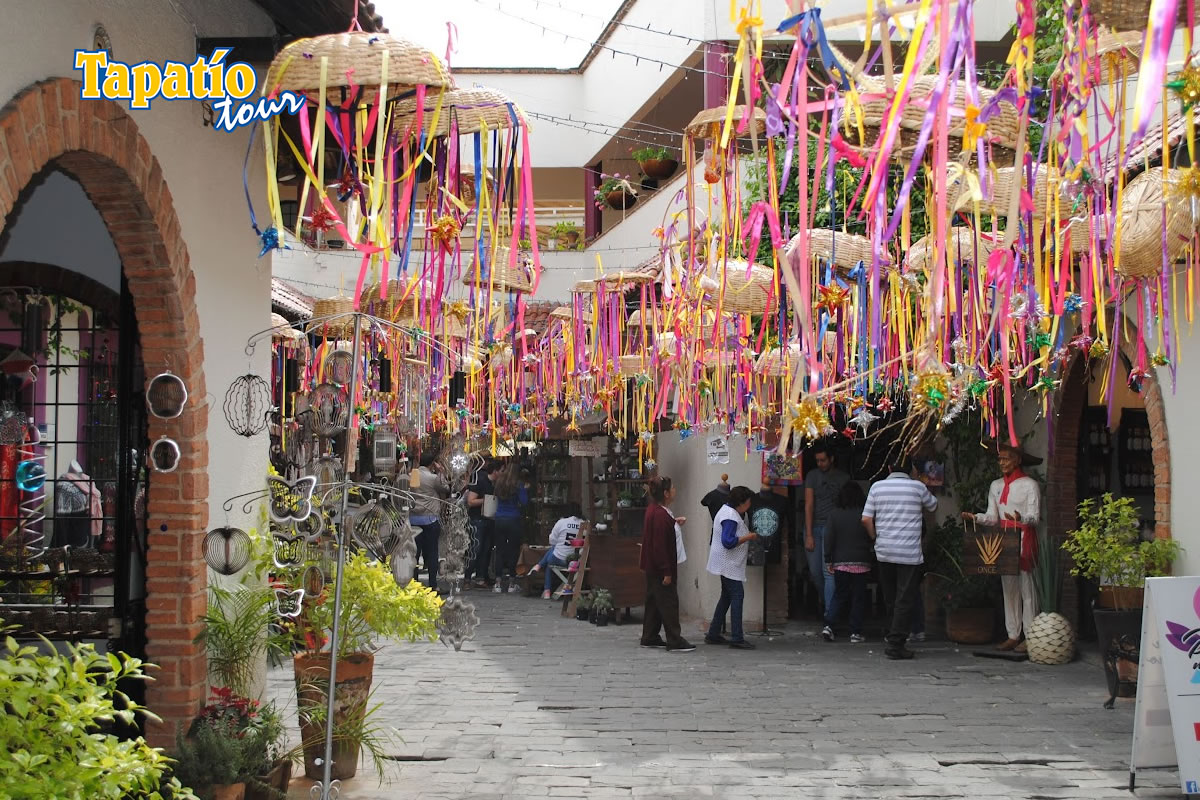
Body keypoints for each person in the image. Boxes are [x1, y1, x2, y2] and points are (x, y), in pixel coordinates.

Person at [961, 441, 1042, 653]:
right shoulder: (996, 486)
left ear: (1018, 460)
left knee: (1028, 591)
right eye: (1000, 458)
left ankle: (1031, 637)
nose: (1002, 462)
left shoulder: (1029, 485)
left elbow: (1034, 517)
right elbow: (992, 517)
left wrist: (1020, 517)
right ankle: (1012, 635)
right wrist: (976, 517)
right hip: (1005, 540)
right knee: (1009, 589)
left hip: (1024, 538)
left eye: (1006, 458)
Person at [862, 456, 937, 660]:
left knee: (890, 597)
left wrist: (875, 537)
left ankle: (892, 634)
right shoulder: (918, 488)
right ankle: (896, 644)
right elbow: (933, 506)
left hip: (884, 551)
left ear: (888, 467)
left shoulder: (877, 487)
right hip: (909, 553)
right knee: (905, 598)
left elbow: (866, 519)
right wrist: (924, 481)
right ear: (911, 469)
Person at [639, 476, 695, 652]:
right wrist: (667, 572)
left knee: (655, 601)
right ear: (665, 493)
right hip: (660, 567)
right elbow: (660, 546)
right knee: (668, 602)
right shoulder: (660, 515)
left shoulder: (656, 511)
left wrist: (674, 523)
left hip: (652, 565)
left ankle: (650, 635)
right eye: (672, 488)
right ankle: (674, 639)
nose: (674, 490)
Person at [705, 485, 759, 650]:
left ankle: (714, 633)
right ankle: (737, 637)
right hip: (728, 563)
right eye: (748, 502)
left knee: (727, 597)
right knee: (737, 595)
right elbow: (728, 542)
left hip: (725, 563)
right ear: (741, 503)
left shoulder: (727, 510)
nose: (749, 505)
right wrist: (748, 537)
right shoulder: (730, 516)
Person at [822, 481, 872, 643]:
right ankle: (855, 632)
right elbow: (871, 535)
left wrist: (828, 559)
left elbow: (828, 539)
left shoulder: (834, 514)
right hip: (861, 561)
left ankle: (829, 625)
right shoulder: (865, 515)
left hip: (841, 562)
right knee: (858, 597)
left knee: (840, 594)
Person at [804, 441, 849, 617]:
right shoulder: (812, 476)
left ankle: (830, 615)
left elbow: (846, 504)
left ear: (831, 459)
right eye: (817, 461)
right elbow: (808, 505)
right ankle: (827, 600)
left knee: (829, 572)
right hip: (814, 527)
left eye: (823, 460)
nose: (820, 464)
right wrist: (808, 534)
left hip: (834, 530)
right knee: (815, 572)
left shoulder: (843, 478)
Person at [408, 450, 448, 592]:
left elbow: (413, 491)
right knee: (432, 553)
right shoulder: (432, 478)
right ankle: (433, 584)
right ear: (433, 463)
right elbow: (445, 487)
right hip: (430, 519)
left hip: (414, 518)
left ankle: (414, 583)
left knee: (415, 552)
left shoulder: (414, 475)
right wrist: (441, 472)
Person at [529, 502, 585, 599]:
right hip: (576, 561)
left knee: (551, 559)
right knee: (553, 551)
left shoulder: (562, 522)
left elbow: (552, 540)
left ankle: (546, 590)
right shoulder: (585, 523)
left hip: (559, 559)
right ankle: (539, 566)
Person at [491, 462, 529, 593]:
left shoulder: (499, 483)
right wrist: (524, 489)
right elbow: (524, 502)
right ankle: (512, 583)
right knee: (513, 551)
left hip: (500, 518)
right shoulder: (518, 485)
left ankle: (497, 583)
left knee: (499, 550)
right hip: (513, 519)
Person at [466, 460, 501, 588]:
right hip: (477, 519)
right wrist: (487, 500)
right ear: (496, 471)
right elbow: (470, 501)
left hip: (489, 519)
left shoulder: (496, 484)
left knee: (486, 549)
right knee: (476, 548)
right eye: (502, 471)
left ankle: (481, 577)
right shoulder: (481, 481)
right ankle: (467, 577)